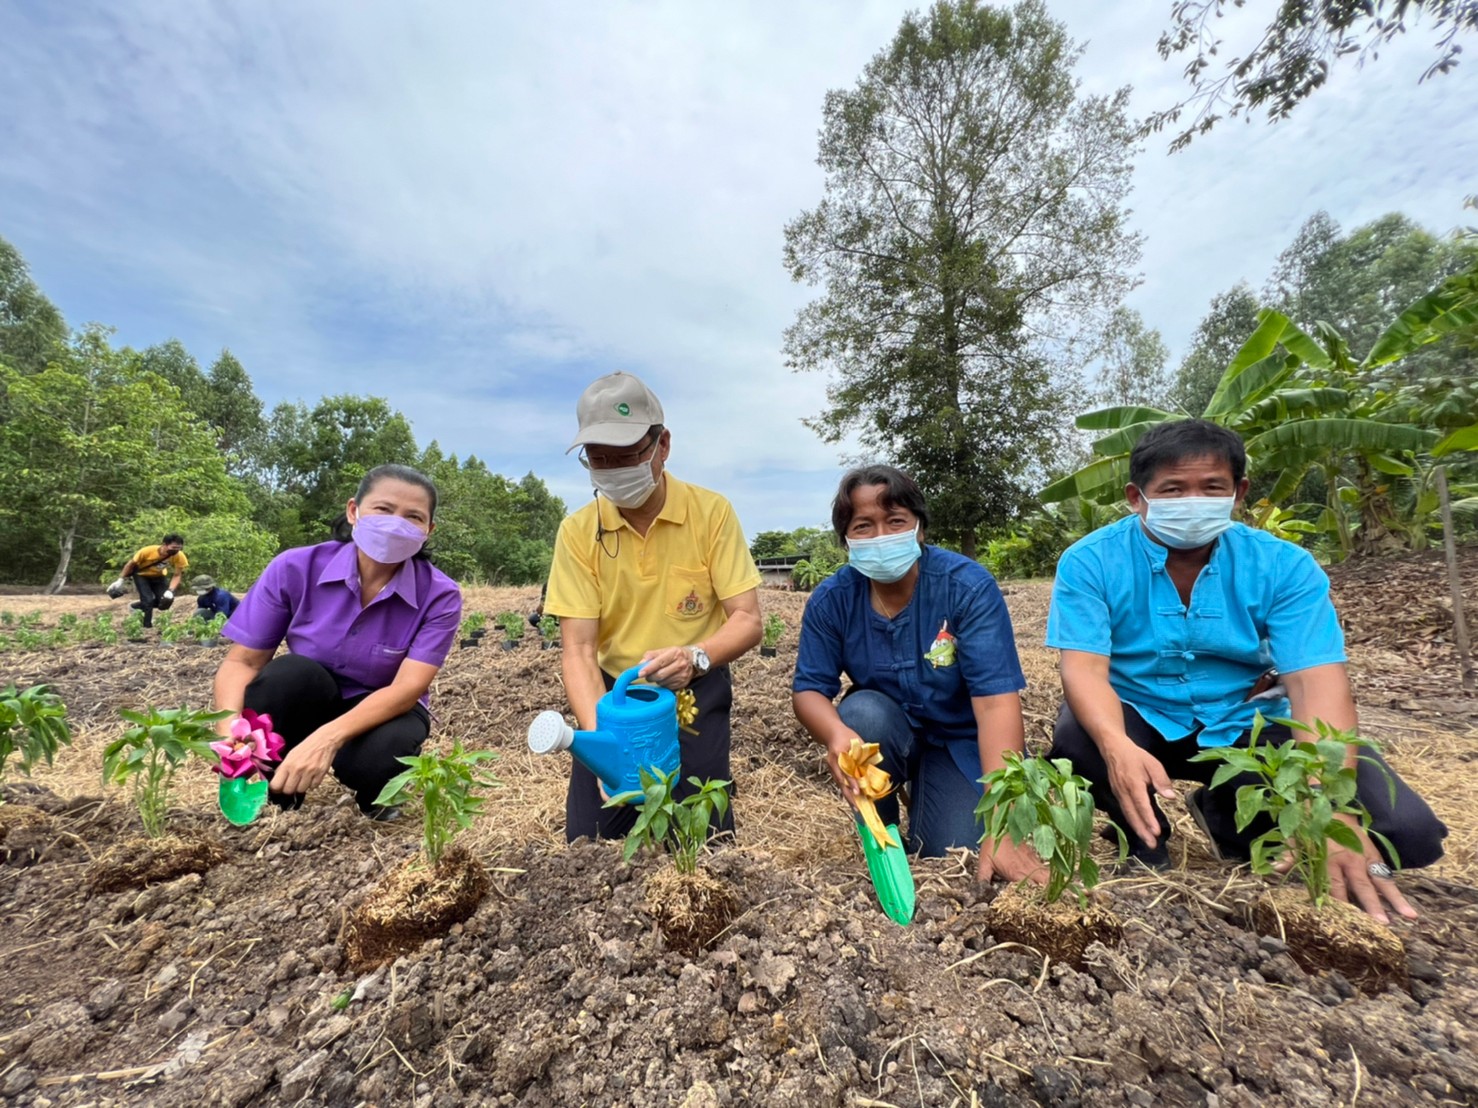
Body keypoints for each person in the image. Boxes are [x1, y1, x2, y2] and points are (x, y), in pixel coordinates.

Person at [1045, 419, 1447, 922]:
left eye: (1211, 487)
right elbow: (1082, 670)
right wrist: (1116, 744)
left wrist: (1328, 804)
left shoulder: (1284, 566)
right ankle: (1140, 836)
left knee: (1408, 835)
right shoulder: (1091, 561)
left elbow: (1315, 682)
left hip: (1245, 719)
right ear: (1136, 496)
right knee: (1081, 738)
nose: (1192, 501)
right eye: (1172, 489)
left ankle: (1226, 811)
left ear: (1239, 493)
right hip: (1140, 716)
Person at [792, 466, 1044, 885]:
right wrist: (836, 735)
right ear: (847, 541)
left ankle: (941, 809)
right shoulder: (832, 600)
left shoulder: (966, 588)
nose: (881, 537)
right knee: (861, 715)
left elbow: (996, 701)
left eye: (895, 522)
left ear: (919, 529)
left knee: (952, 855)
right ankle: (881, 827)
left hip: (959, 741)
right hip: (887, 732)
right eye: (863, 526)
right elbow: (808, 692)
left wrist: (1002, 819)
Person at [544, 371, 763, 842]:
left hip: (692, 686)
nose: (612, 470)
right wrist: (605, 740)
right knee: (592, 841)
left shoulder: (711, 513)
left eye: (625, 456)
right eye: (598, 459)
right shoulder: (579, 532)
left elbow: (746, 620)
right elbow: (579, 651)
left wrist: (695, 656)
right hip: (613, 697)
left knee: (701, 836)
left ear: (662, 445)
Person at [212, 464, 462, 818]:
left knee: (381, 756)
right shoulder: (295, 567)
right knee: (288, 677)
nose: (396, 524)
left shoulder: (440, 595)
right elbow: (244, 662)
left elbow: (407, 688)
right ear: (353, 511)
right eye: (384, 509)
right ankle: (277, 799)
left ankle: (376, 793)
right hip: (313, 694)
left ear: (427, 530)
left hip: (384, 705)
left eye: (413, 517)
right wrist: (230, 733)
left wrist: (327, 738)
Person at [108, 533, 187, 628]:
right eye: (173, 547)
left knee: (165, 602)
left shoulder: (179, 556)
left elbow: (177, 575)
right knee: (148, 600)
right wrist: (120, 580)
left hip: (159, 576)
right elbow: (130, 564)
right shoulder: (147, 551)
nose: (176, 550)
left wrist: (170, 590)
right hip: (142, 576)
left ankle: (136, 606)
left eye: (179, 548)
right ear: (165, 544)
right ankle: (146, 626)